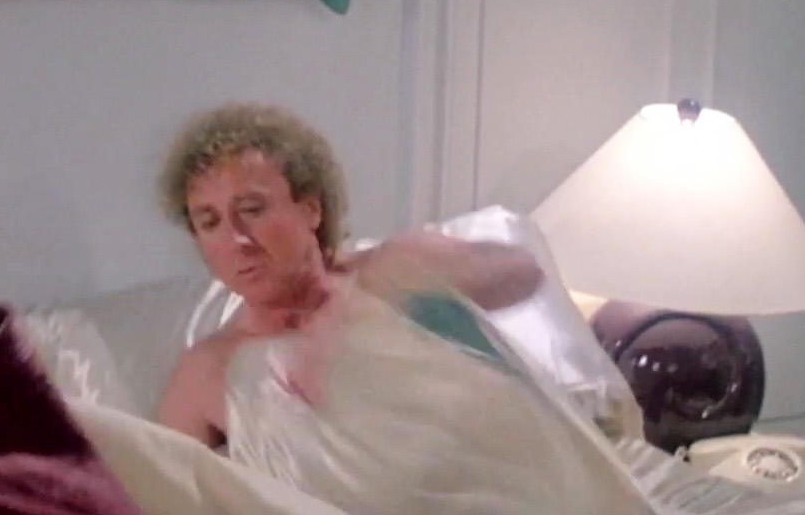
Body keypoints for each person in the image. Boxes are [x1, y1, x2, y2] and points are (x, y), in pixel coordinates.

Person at [153, 104, 544, 446]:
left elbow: (525, 273)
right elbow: (159, 491)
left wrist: (367, 302)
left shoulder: (394, 266)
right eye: (209, 222)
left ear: (311, 209)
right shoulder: (207, 370)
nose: (237, 239)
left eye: (252, 210)